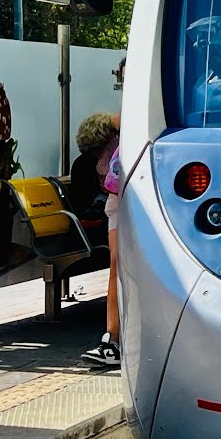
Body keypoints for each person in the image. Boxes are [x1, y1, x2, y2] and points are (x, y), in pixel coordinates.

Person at [83, 57, 125, 368]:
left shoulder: (122, 118)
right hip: (128, 205)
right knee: (119, 270)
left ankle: (113, 339)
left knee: (117, 270)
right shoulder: (128, 117)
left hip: (119, 205)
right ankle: (114, 338)